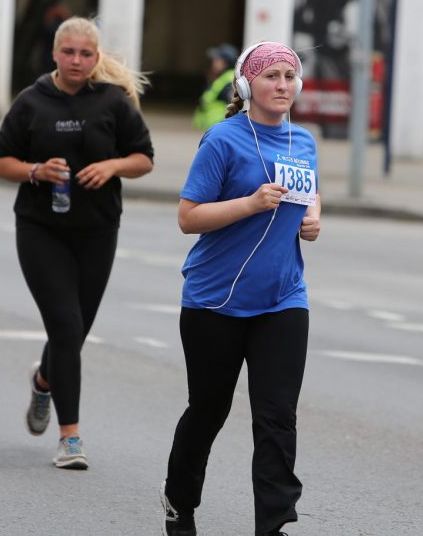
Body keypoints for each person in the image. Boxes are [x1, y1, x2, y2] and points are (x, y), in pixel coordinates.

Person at [160, 42, 322, 536]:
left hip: (283, 299)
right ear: (248, 85)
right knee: (209, 409)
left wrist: (312, 218)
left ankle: (273, 526)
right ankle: (179, 501)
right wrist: (250, 203)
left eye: (289, 76)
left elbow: (309, 191)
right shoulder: (223, 140)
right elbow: (189, 218)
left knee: (277, 417)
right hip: (216, 300)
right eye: (271, 76)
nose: (282, 85)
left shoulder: (304, 140)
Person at [0, 16, 154, 469]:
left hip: (98, 230)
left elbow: (145, 158)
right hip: (41, 229)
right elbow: (2, 161)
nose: (78, 60)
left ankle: (44, 381)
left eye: (86, 53)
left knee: (75, 331)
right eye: (69, 52)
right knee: (65, 326)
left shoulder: (113, 102)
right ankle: (71, 438)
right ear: (55, 54)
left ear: (97, 57)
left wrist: (113, 167)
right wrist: (34, 171)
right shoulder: (31, 101)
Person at [192, 43, 238, 131]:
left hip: (223, 129)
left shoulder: (230, 82)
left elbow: (236, 108)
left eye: (217, 59)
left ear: (225, 62)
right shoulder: (221, 78)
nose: (213, 62)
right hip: (216, 129)